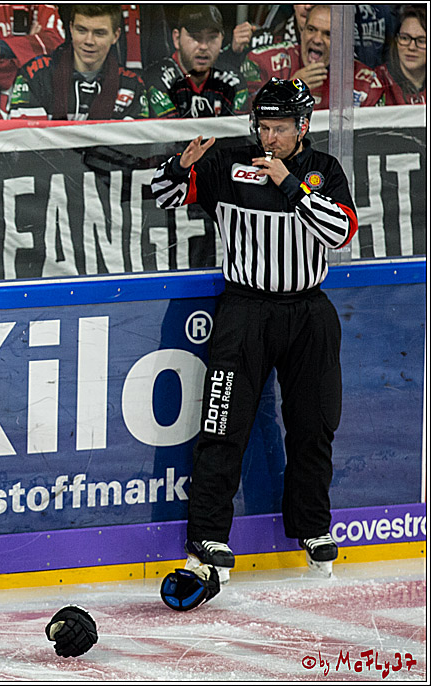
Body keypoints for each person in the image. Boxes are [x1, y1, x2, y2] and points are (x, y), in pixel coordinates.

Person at [151, 78, 358, 585]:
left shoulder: (323, 170)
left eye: (280, 129)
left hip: (308, 313)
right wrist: (181, 166)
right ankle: (207, 536)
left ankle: (312, 528)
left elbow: (340, 233)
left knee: (314, 424)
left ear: (303, 127)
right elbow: (162, 196)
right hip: (244, 311)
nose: (269, 138)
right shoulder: (227, 161)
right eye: (263, 127)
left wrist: (289, 183)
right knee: (223, 427)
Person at [9, 5, 148, 120]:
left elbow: (134, 149)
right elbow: (28, 143)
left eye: (99, 33)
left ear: (115, 36)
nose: (89, 41)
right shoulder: (35, 75)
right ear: (71, 28)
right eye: (81, 30)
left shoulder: (132, 86)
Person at [241, 5, 387, 109]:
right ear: (302, 31)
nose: (317, 40)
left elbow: (372, 143)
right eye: (311, 30)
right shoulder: (262, 62)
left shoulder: (367, 83)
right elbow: (244, 125)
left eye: (328, 34)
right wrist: (287, 92)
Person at [143, 5, 249, 118]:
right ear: (176, 39)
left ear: (222, 39)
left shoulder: (234, 83)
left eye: (212, 37)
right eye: (195, 37)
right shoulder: (155, 81)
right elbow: (170, 133)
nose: (204, 46)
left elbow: (238, 133)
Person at [377, 5, 426, 105]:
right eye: (404, 38)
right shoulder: (376, 82)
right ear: (396, 41)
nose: (411, 47)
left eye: (421, 41)